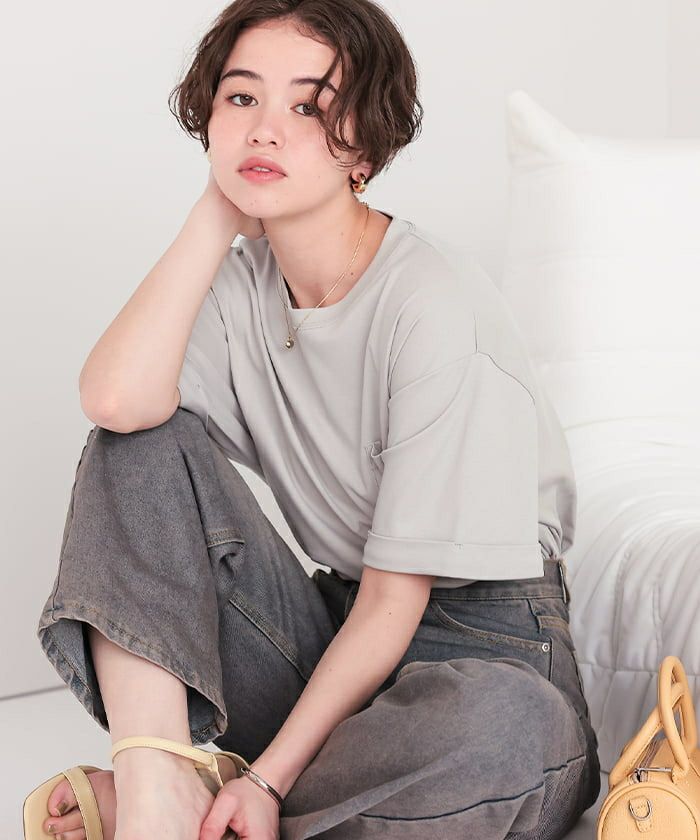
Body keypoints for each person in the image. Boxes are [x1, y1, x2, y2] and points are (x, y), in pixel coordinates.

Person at [31, 1, 601, 839]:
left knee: (510, 732)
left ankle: (239, 802)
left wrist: (268, 777)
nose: (265, 128)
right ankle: (160, 787)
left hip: (489, 647)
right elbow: (117, 403)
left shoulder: (432, 301)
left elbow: (396, 600)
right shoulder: (239, 283)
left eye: (308, 106)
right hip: (336, 637)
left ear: (364, 148)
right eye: (241, 98)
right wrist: (216, 212)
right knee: (139, 442)